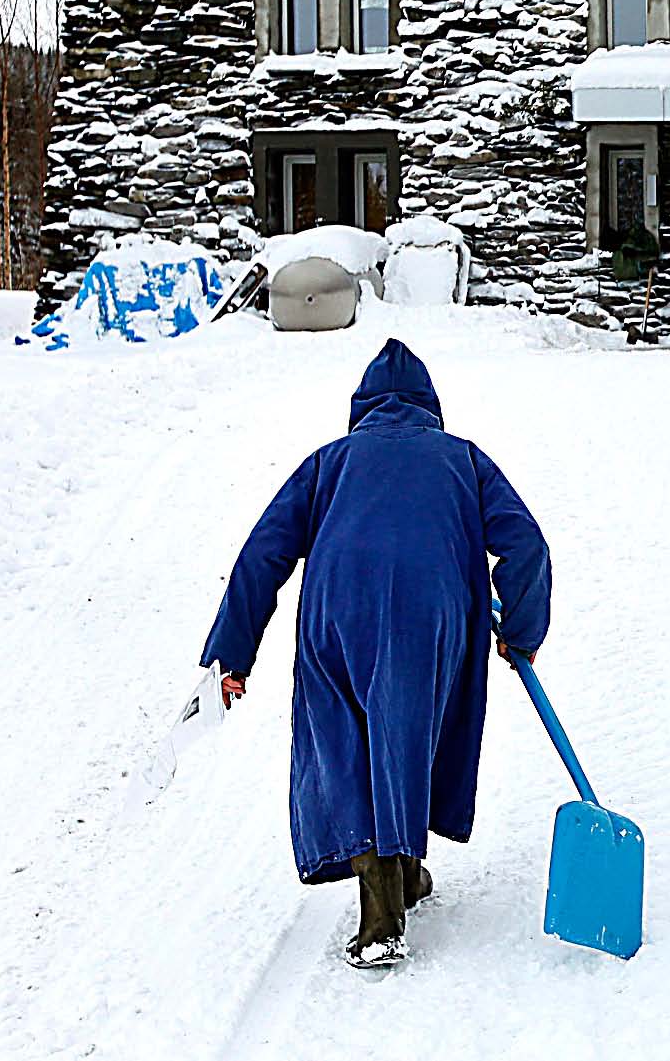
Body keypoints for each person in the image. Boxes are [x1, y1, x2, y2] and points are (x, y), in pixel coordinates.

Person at [199, 338, 551, 967]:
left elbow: (262, 556)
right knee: (406, 736)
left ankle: (384, 909)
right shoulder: (463, 460)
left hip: (336, 615)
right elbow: (526, 546)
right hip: (429, 616)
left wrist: (232, 655)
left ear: (361, 408)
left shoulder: (328, 463)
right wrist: (520, 628)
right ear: (430, 407)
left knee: (344, 743)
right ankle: (400, 880)